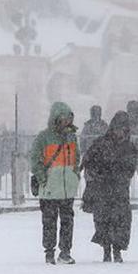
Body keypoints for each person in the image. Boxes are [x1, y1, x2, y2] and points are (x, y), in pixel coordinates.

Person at [81, 110, 138, 262]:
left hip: (119, 188)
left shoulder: (129, 147)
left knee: (121, 220)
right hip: (103, 187)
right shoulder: (101, 143)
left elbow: (130, 168)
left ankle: (117, 249)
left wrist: (119, 174)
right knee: (103, 219)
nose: (119, 132)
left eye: (123, 129)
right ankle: (107, 249)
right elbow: (88, 161)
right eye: (117, 129)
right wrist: (100, 174)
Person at [29, 101, 80, 265]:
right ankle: (49, 251)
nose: (67, 122)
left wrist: (75, 174)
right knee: (49, 222)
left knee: (67, 221)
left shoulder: (71, 137)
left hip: (67, 188)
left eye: (69, 119)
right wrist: (43, 178)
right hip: (50, 188)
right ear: (56, 118)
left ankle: (65, 252)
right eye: (64, 119)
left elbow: (76, 157)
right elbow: (35, 160)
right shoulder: (43, 138)